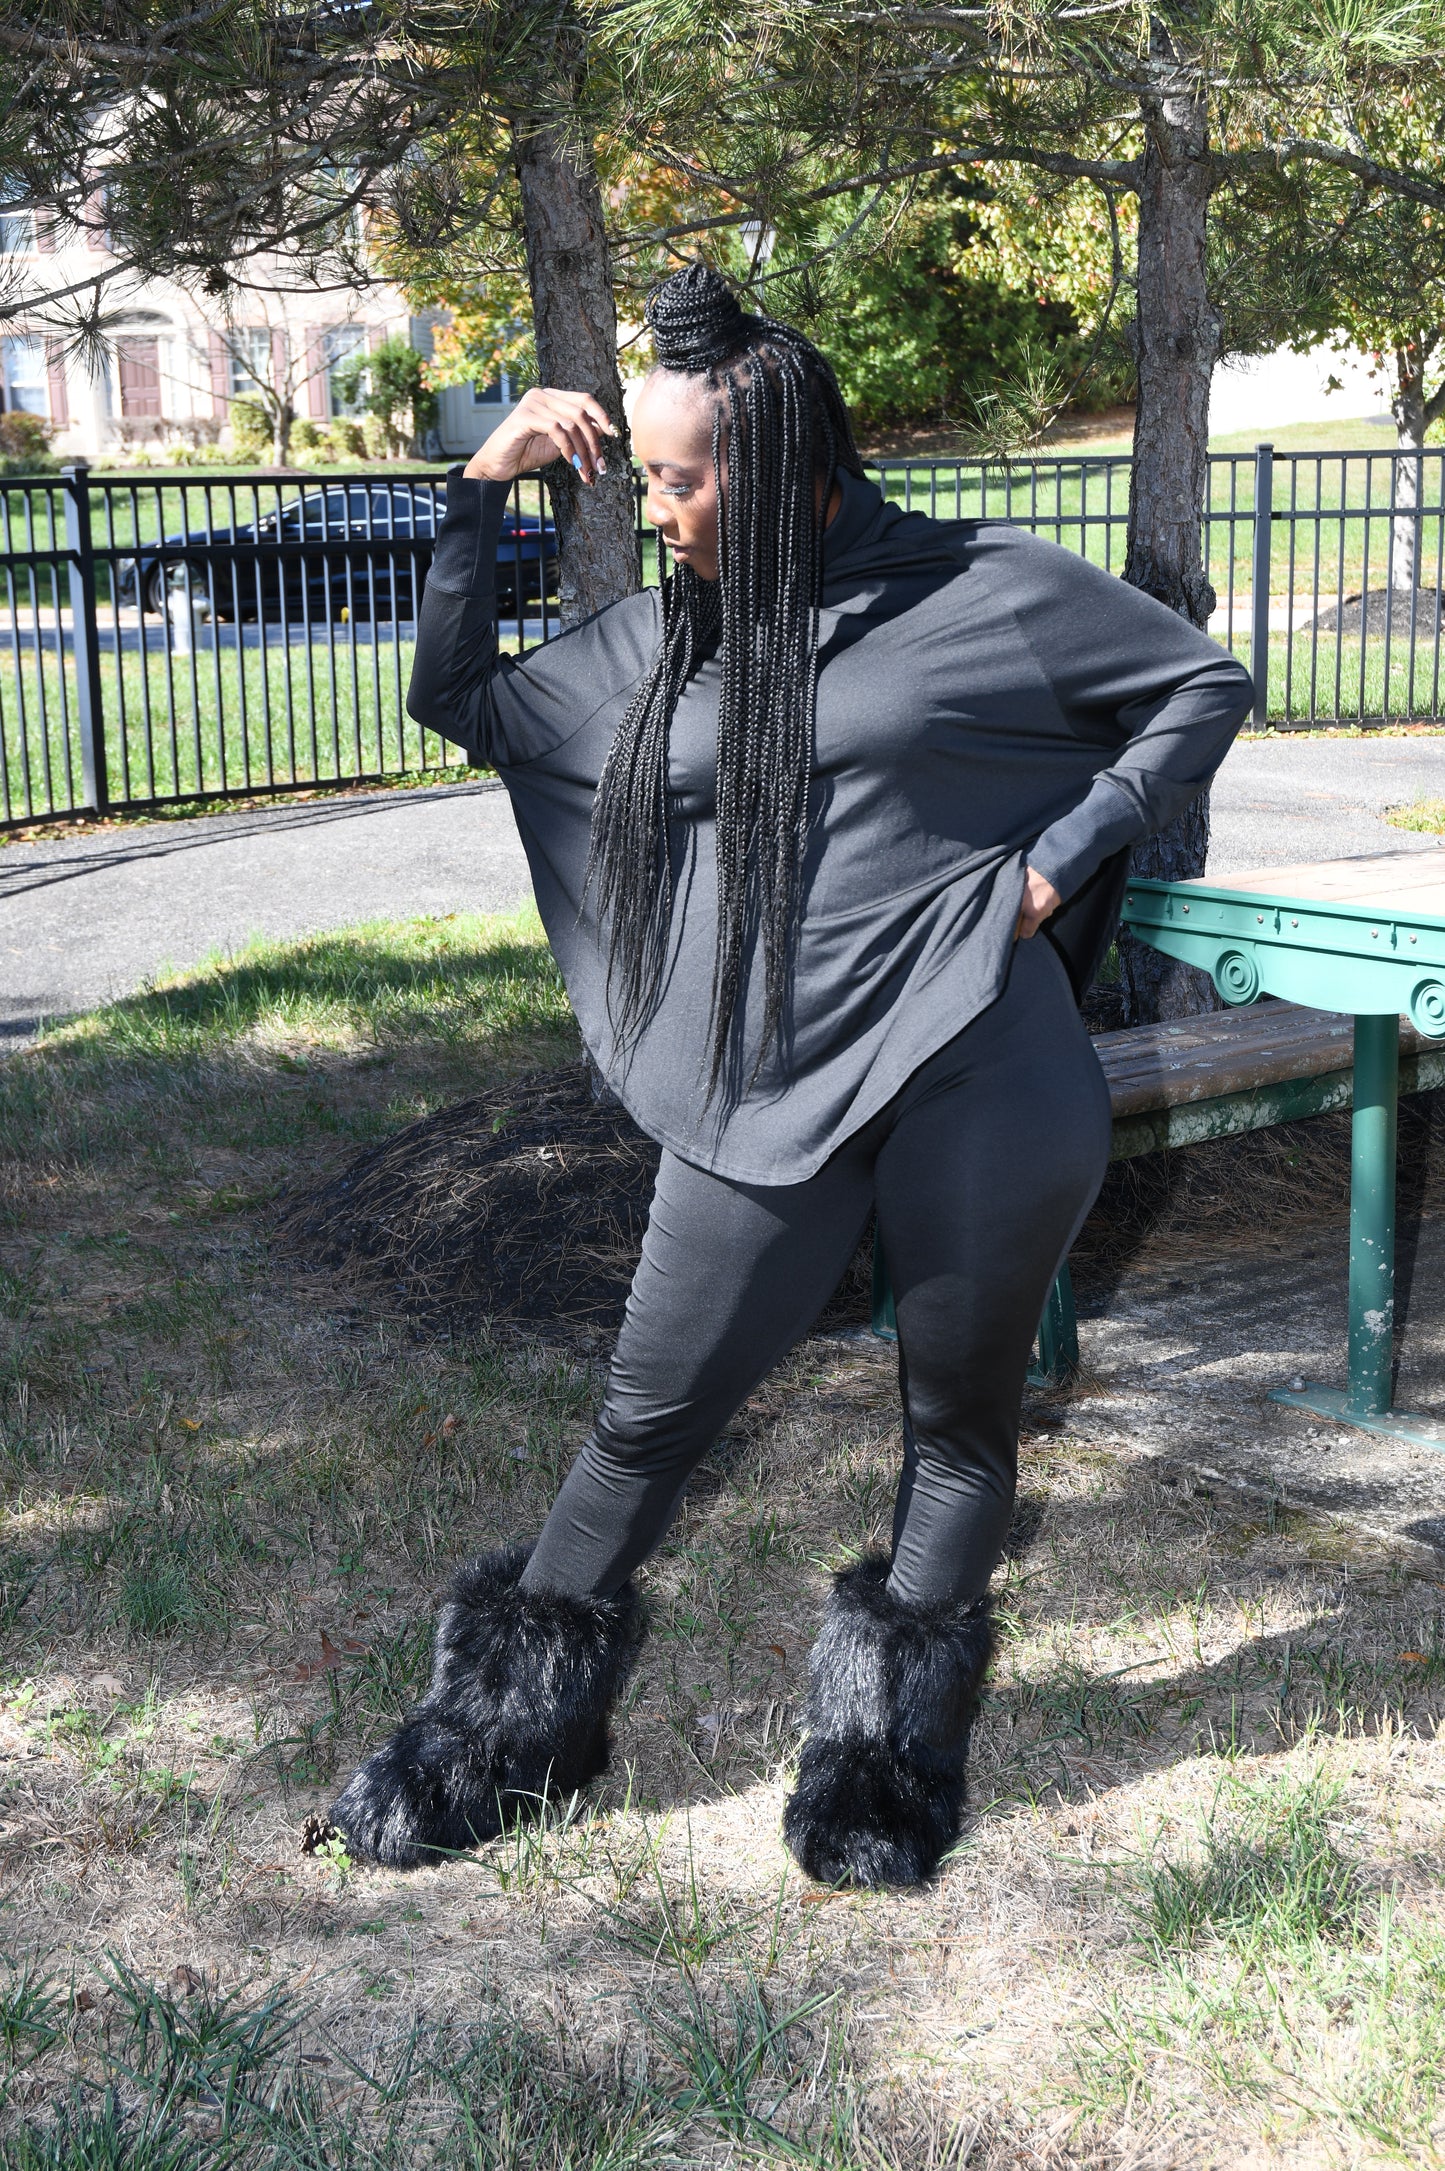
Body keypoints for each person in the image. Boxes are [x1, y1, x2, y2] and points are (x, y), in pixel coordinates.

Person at [321, 264, 1252, 1887]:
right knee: (639, 1420)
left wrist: (1056, 864)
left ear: (781, 472)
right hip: (764, 1078)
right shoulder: (673, 645)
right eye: (653, 478)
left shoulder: (983, 589)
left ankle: (883, 1770)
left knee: (955, 1425)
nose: (661, 510)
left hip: (983, 1069)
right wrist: (479, 495)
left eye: (683, 481)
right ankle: (492, 1745)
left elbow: (1195, 684)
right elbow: (462, 700)